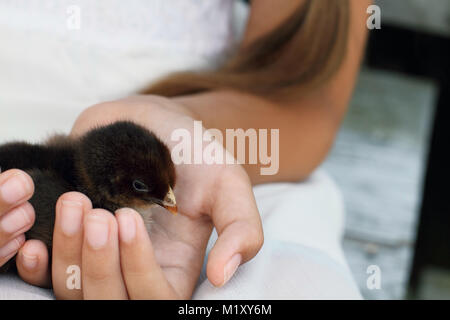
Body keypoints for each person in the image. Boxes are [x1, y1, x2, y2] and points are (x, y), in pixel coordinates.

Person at [0, 0, 369, 299]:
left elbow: (307, 102)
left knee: (284, 288)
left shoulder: (171, 182)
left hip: (218, 147)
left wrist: (188, 129)